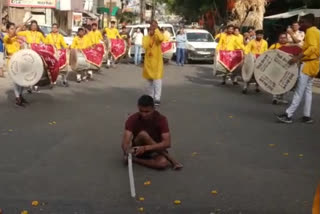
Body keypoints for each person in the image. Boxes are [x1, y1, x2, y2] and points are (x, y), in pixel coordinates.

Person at [277, 14, 320, 124]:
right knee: (308, 90)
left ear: (309, 22)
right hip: (314, 64)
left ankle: (288, 115)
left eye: (302, 22)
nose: (300, 25)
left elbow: (312, 48)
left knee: (299, 91)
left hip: (307, 65)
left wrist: (297, 58)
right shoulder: (317, 31)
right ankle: (306, 116)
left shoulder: (310, 31)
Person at [122, 95, 183, 170]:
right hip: (138, 147)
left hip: (155, 149)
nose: (144, 114)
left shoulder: (161, 119)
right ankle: (170, 158)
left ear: (154, 108)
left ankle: (134, 160)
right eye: (141, 111)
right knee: (143, 134)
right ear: (138, 107)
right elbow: (125, 143)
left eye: (147, 112)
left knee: (162, 163)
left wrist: (145, 148)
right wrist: (127, 151)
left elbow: (167, 143)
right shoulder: (132, 119)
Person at [3, 22, 28, 107]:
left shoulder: (17, 38)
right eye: (11, 28)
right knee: (16, 81)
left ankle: (20, 96)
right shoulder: (6, 38)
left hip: (20, 61)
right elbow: (9, 37)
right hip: (12, 61)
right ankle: (17, 98)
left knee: (22, 80)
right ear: (7, 30)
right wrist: (17, 30)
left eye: (14, 28)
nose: (13, 30)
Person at [142, 21, 164, 106]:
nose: (151, 31)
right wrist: (149, 36)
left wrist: (156, 29)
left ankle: (157, 98)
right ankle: (150, 98)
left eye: (153, 29)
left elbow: (161, 38)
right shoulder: (145, 38)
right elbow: (145, 46)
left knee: (157, 81)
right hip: (149, 64)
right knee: (149, 82)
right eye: (150, 29)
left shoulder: (157, 37)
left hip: (157, 64)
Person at [243, 30, 268, 94]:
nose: (259, 36)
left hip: (261, 60)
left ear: (263, 36)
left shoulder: (265, 42)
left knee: (259, 73)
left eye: (261, 35)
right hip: (252, 59)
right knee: (249, 72)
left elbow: (266, 52)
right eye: (258, 35)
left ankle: (257, 87)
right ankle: (245, 86)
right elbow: (247, 50)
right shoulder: (251, 42)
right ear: (256, 35)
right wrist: (246, 57)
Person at [269, 33, 290, 104]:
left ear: (287, 39)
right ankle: (274, 97)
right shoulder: (274, 46)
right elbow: (267, 54)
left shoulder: (290, 46)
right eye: (281, 38)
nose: (283, 39)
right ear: (278, 38)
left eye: (284, 38)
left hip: (287, 68)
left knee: (284, 83)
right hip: (276, 67)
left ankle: (281, 97)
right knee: (275, 82)